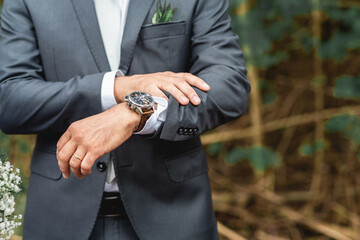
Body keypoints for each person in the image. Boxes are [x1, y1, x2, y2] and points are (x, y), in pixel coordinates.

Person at [0, 0, 250, 239]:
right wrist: (115, 89)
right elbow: (8, 99)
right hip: (60, 217)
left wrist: (136, 111)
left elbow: (229, 85)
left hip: (174, 214)